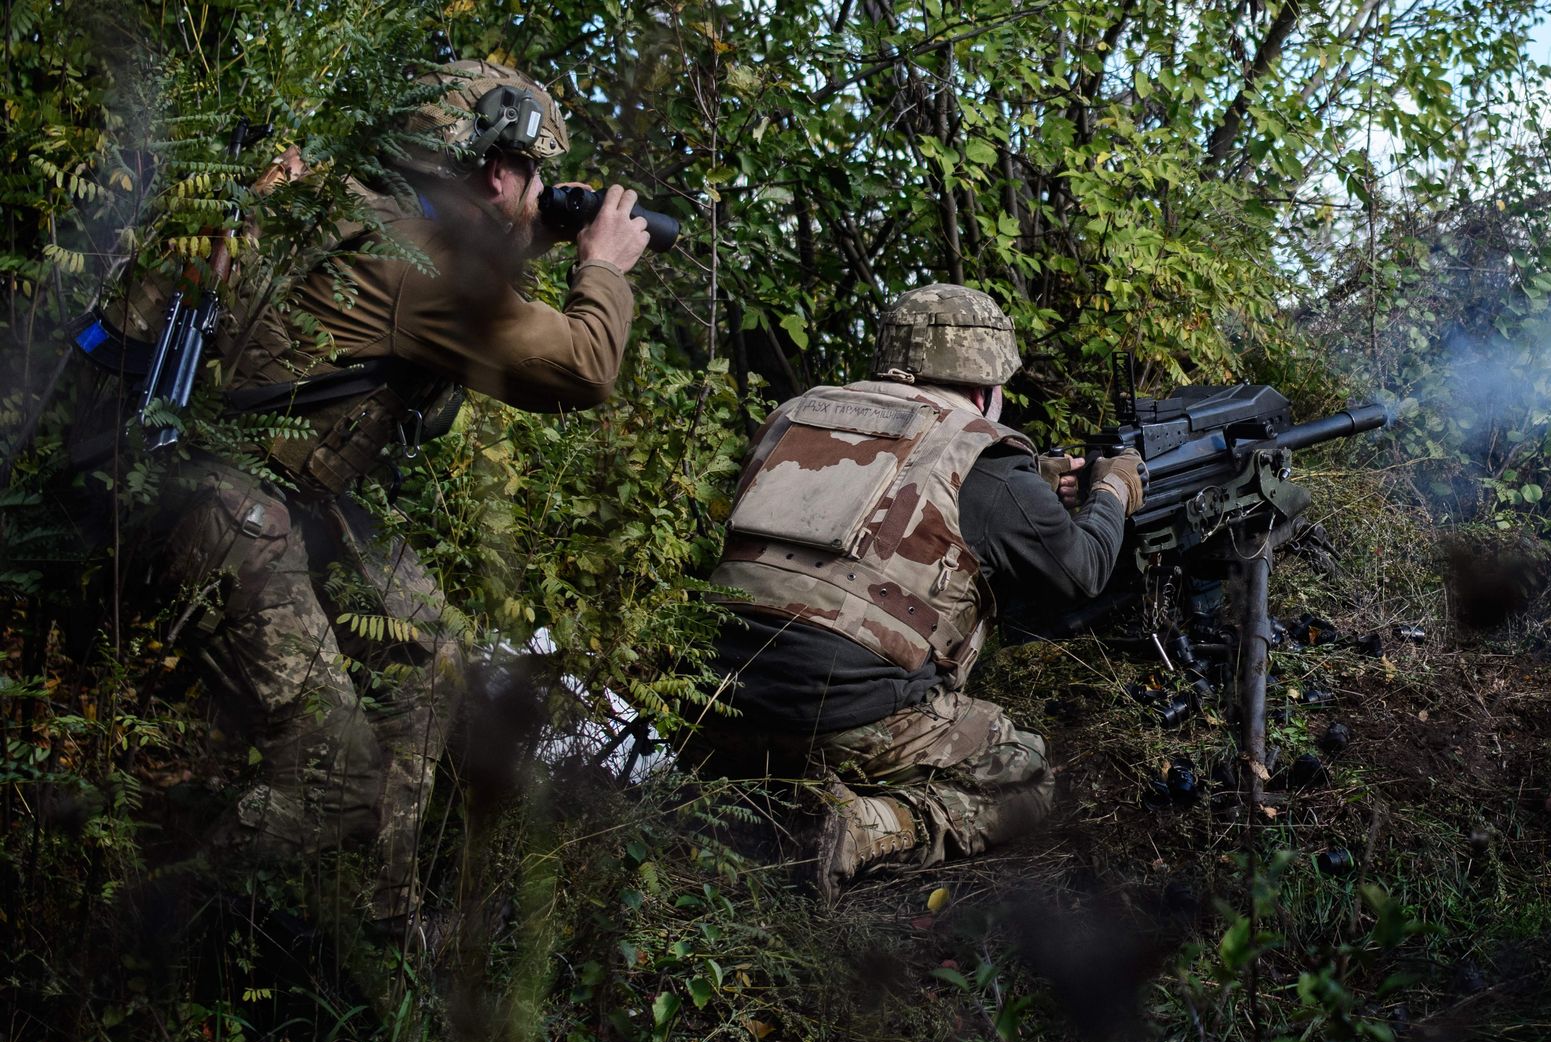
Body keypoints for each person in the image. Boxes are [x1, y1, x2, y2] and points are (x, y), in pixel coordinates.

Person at [83, 60, 654, 935]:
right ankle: (132, 937)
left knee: (429, 659)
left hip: (251, 486)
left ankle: (373, 919)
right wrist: (603, 265)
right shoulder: (419, 264)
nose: (541, 197)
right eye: (535, 177)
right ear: (499, 171)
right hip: (217, 503)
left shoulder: (339, 204)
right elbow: (580, 367)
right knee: (336, 777)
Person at [689, 283, 1145, 900]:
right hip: (843, 716)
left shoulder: (797, 416)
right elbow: (1079, 572)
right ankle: (872, 828)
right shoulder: (981, 452)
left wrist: (1030, 484)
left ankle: (744, 787)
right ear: (985, 387)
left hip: (712, 702)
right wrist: (1113, 489)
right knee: (1030, 774)